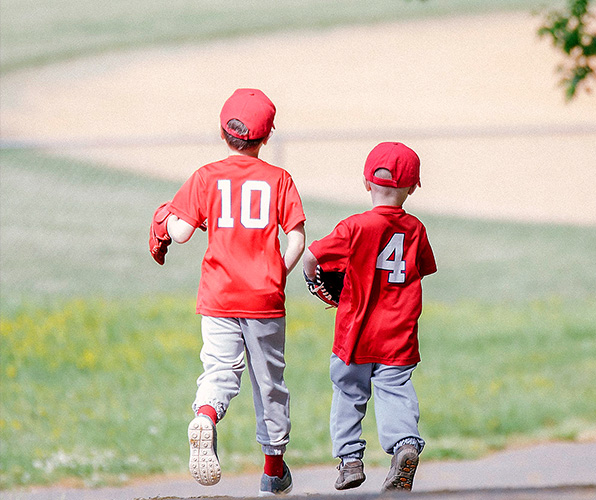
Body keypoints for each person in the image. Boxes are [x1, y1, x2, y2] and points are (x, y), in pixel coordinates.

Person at [148, 88, 305, 496]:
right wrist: (278, 272)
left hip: (218, 297)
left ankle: (205, 416)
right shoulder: (279, 179)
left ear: (223, 131)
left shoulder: (206, 176)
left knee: (220, 370)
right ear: (266, 137)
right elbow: (297, 240)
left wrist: (165, 220)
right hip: (264, 300)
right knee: (269, 382)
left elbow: (181, 233)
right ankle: (273, 470)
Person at [302, 141, 436, 492]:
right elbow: (421, 269)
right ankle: (405, 444)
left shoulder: (353, 227)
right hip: (398, 334)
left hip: (354, 335)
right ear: (411, 188)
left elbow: (312, 256)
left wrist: (315, 283)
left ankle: (349, 461)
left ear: (366, 183)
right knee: (395, 391)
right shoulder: (416, 230)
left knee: (348, 392)